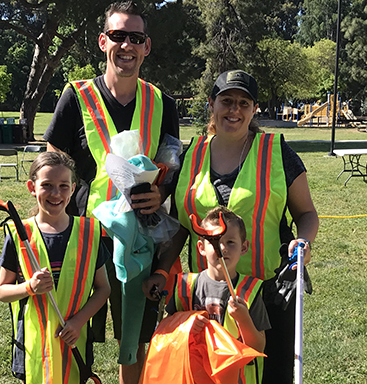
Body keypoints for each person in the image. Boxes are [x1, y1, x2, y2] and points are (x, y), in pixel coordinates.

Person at [149, 69, 319, 383]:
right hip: (208, 295)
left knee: (271, 374)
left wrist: (303, 244)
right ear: (212, 104)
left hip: (270, 292)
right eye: (227, 100)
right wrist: (162, 270)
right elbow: (182, 226)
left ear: (254, 109)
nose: (234, 109)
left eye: (244, 102)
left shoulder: (278, 152)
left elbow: (307, 213)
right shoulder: (191, 155)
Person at [42, 2, 179, 382]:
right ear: (104, 41)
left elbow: (171, 168)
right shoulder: (76, 97)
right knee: (71, 334)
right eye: (118, 36)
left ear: (146, 47)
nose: (127, 45)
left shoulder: (162, 103)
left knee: (133, 343)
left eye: (136, 38)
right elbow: (52, 169)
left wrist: (161, 193)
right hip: (82, 241)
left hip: (139, 243)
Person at [0, 151, 111, 383]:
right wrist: (29, 287)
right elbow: (2, 292)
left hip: (73, 342)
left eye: (63, 186)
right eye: (47, 185)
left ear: (74, 188)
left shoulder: (89, 233)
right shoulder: (20, 235)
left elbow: (103, 289)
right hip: (32, 345)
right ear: (32, 186)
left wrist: (79, 322)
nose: (56, 193)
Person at [166, 207, 271, 383]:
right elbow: (166, 334)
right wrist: (187, 324)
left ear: (244, 247)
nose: (222, 248)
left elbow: (257, 348)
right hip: (193, 376)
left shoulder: (249, 291)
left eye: (230, 242)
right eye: (214, 242)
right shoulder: (185, 288)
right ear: (201, 248)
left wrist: (243, 319)